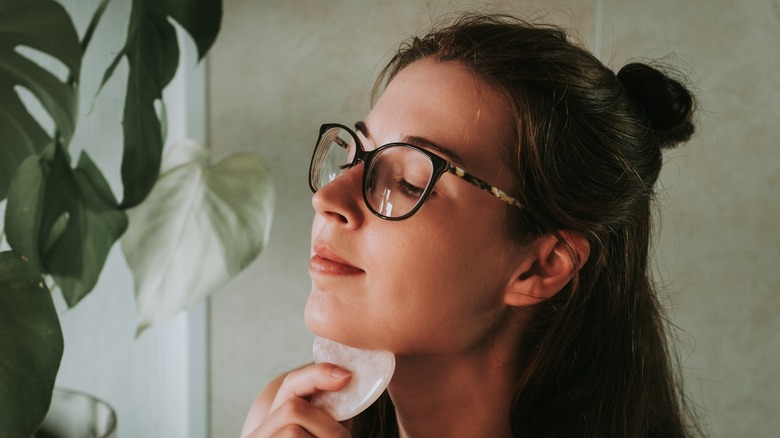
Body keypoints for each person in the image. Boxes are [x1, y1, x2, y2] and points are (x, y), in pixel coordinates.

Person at [241, 12, 702, 438]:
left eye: (408, 181)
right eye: (354, 155)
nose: (327, 200)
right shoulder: (287, 417)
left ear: (541, 266)